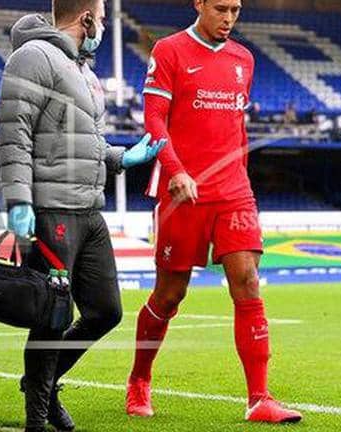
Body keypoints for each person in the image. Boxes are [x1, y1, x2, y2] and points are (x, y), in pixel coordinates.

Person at [126, 0, 302, 424]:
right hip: (182, 191)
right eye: (220, 8)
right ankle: (139, 379)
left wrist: (241, 180)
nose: (228, 18)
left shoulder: (244, 59)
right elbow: (154, 120)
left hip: (233, 191)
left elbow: (236, 128)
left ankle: (259, 399)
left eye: (236, 10)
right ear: (199, 3)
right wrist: (176, 171)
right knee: (170, 295)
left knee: (248, 281)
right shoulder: (169, 50)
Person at [0, 2, 165, 431]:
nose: (104, 27)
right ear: (86, 19)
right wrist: (18, 200)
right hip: (52, 207)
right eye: (103, 19)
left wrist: (121, 158)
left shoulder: (82, 71)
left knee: (106, 311)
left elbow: (85, 142)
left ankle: (41, 382)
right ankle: (37, 417)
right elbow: (14, 133)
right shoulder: (32, 56)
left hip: (90, 208)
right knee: (52, 314)